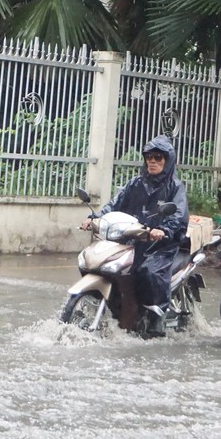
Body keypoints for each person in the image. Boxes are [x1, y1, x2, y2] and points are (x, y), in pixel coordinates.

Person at [81, 135, 189, 335]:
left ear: (168, 161)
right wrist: (94, 218)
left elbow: (179, 215)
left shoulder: (175, 187)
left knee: (148, 272)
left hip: (161, 244)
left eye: (158, 157)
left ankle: (157, 316)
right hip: (132, 238)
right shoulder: (135, 183)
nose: (153, 161)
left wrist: (163, 230)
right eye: (149, 157)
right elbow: (114, 205)